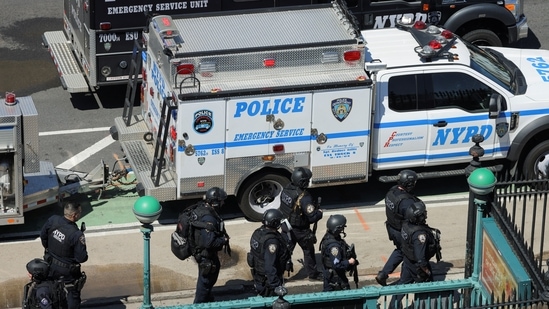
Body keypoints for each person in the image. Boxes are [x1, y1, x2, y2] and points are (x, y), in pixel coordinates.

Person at [389, 201, 442, 309]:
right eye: (423, 213)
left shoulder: (406, 225)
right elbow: (420, 257)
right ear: (418, 217)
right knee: (427, 289)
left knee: (402, 286)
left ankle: (392, 306)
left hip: (408, 261)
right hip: (417, 267)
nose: (425, 214)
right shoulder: (419, 235)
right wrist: (426, 270)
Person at [376, 169, 423, 286]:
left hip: (392, 228)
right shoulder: (406, 202)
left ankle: (384, 273)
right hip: (401, 231)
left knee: (400, 251)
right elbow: (413, 218)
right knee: (408, 253)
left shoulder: (392, 192)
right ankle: (404, 279)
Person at [40, 202, 88, 309]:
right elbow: (82, 257)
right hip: (67, 272)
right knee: (72, 294)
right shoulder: (76, 234)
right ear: (74, 215)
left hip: (50, 264)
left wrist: (50, 250)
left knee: (52, 290)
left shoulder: (53, 220)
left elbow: (43, 235)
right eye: (79, 212)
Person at [280, 167, 323, 281]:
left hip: (286, 226)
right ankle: (313, 274)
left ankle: (277, 275)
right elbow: (312, 217)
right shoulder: (305, 197)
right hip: (301, 230)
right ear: (302, 182)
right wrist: (319, 213)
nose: (308, 182)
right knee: (308, 251)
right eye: (307, 180)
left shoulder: (286, 189)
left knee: (284, 252)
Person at [191, 187, 231, 303]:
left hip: (202, 253)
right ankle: (199, 304)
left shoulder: (203, 209)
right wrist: (223, 240)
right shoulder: (209, 218)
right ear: (215, 203)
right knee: (205, 283)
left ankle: (207, 299)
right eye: (221, 201)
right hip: (206, 256)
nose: (223, 203)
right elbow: (210, 243)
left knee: (206, 281)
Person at [248, 209, 292, 297]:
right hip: (268, 282)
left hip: (259, 277)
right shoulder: (271, 242)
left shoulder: (258, 232)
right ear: (275, 223)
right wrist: (276, 286)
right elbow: (269, 266)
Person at [319, 214, 358, 291]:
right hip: (336, 279)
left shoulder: (328, 237)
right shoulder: (334, 247)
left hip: (329, 277)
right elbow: (337, 265)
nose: (342, 229)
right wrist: (349, 262)